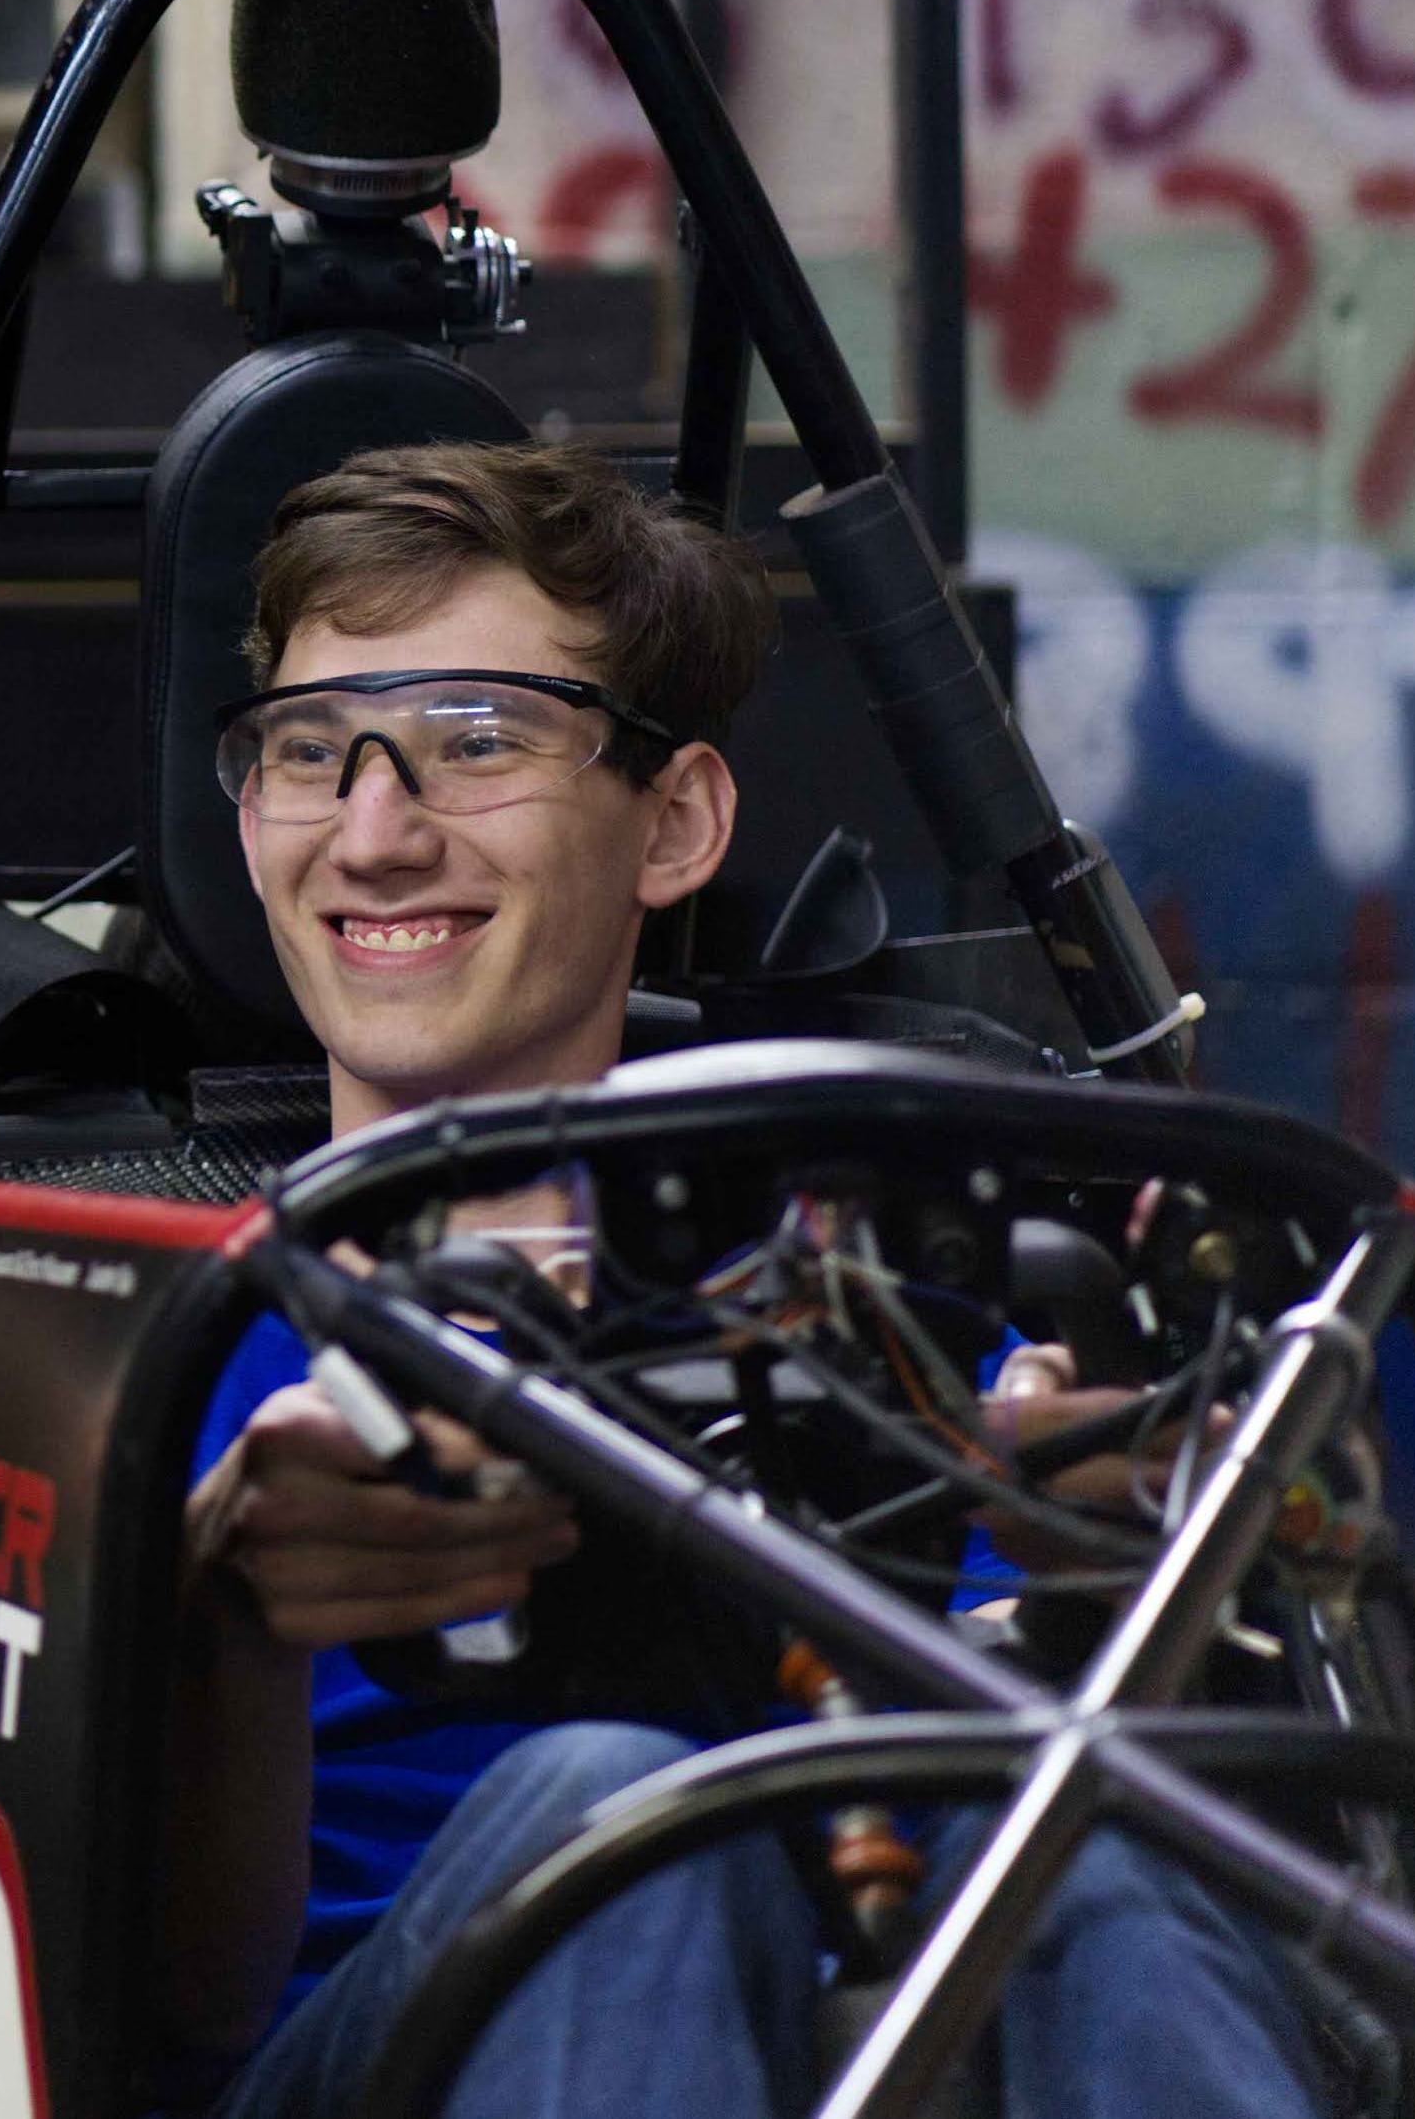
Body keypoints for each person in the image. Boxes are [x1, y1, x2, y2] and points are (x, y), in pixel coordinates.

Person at [148, 441, 1319, 2119]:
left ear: (675, 820)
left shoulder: (880, 1318)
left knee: (1084, 1811)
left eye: (475, 743)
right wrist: (224, 1629)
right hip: (331, 2058)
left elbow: (980, 1830)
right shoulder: (124, 1341)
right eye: (312, 753)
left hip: (816, 1998)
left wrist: (1110, 1607)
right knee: (609, 1809)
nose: (374, 832)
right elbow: (147, 2016)